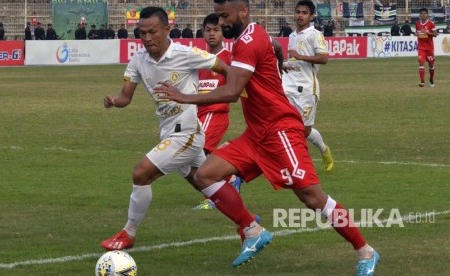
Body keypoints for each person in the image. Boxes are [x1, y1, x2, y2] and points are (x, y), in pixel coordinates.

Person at [154, 0, 380, 274]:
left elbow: (232, 92)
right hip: (256, 134)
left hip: (280, 130)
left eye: (225, 16)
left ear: (243, 12)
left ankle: (365, 251)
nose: (221, 22)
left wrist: (184, 97)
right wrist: (279, 64)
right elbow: (274, 47)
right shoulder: (253, 34)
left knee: (311, 197)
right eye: (218, 17)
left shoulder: (247, 42)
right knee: (204, 175)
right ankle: (252, 230)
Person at [99, 6, 229, 252]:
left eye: (153, 32)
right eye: (142, 33)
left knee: (141, 174)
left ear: (167, 29)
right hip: (168, 131)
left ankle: (129, 233)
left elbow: (224, 68)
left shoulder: (186, 53)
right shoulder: (138, 59)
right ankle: (247, 222)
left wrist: (237, 90)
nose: (147, 38)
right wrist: (115, 101)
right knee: (204, 181)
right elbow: (126, 96)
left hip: (188, 132)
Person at [192, 13, 242, 210]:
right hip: (198, 114)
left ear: (223, 33)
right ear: (202, 33)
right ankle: (231, 178)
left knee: (196, 151)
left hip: (215, 113)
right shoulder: (197, 58)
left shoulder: (228, 59)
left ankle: (214, 195)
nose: (212, 34)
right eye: (208, 30)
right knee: (204, 155)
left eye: (216, 30)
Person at [282, 1, 333, 173]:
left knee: (304, 130)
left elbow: (324, 58)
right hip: (288, 85)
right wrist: (285, 64)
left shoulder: (314, 34)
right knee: (285, 124)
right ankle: (294, 164)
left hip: (307, 89)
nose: (300, 15)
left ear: (311, 16)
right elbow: (294, 60)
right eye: (298, 12)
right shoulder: (291, 35)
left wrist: (300, 56)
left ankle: (324, 149)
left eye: (304, 12)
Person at [416, 7, 437, 87]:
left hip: (429, 48)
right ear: (420, 15)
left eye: (425, 13)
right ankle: (422, 82)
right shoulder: (417, 23)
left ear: (427, 15)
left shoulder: (431, 23)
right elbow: (417, 32)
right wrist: (416, 34)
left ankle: (431, 79)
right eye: (422, 14)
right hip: (421, 47)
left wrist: (427, 33)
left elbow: (435, 34)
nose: (423, 15)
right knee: (421, 63)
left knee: (431, 65)